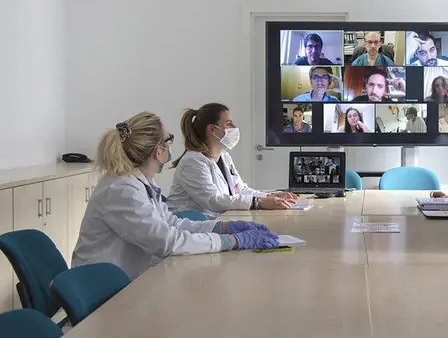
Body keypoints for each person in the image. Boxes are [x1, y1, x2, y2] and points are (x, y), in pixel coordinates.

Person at [71, 112, 280, 279]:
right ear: (158, 150)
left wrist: (224, 227)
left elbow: (172, 223)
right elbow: (168, 242)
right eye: (168, 140)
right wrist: (232, 241)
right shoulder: (121, 190)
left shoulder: (141, 182)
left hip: (129, 279)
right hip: (104, 291)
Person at [166, 103, 298, 219]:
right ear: (212, 129)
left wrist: (270, 196)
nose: (234, 127)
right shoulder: (193, 162)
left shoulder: (224, 156)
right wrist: (258, 202)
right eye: (229, 124)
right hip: (190, 226)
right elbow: (213, 200)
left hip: (215, 221)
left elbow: (240, 190)